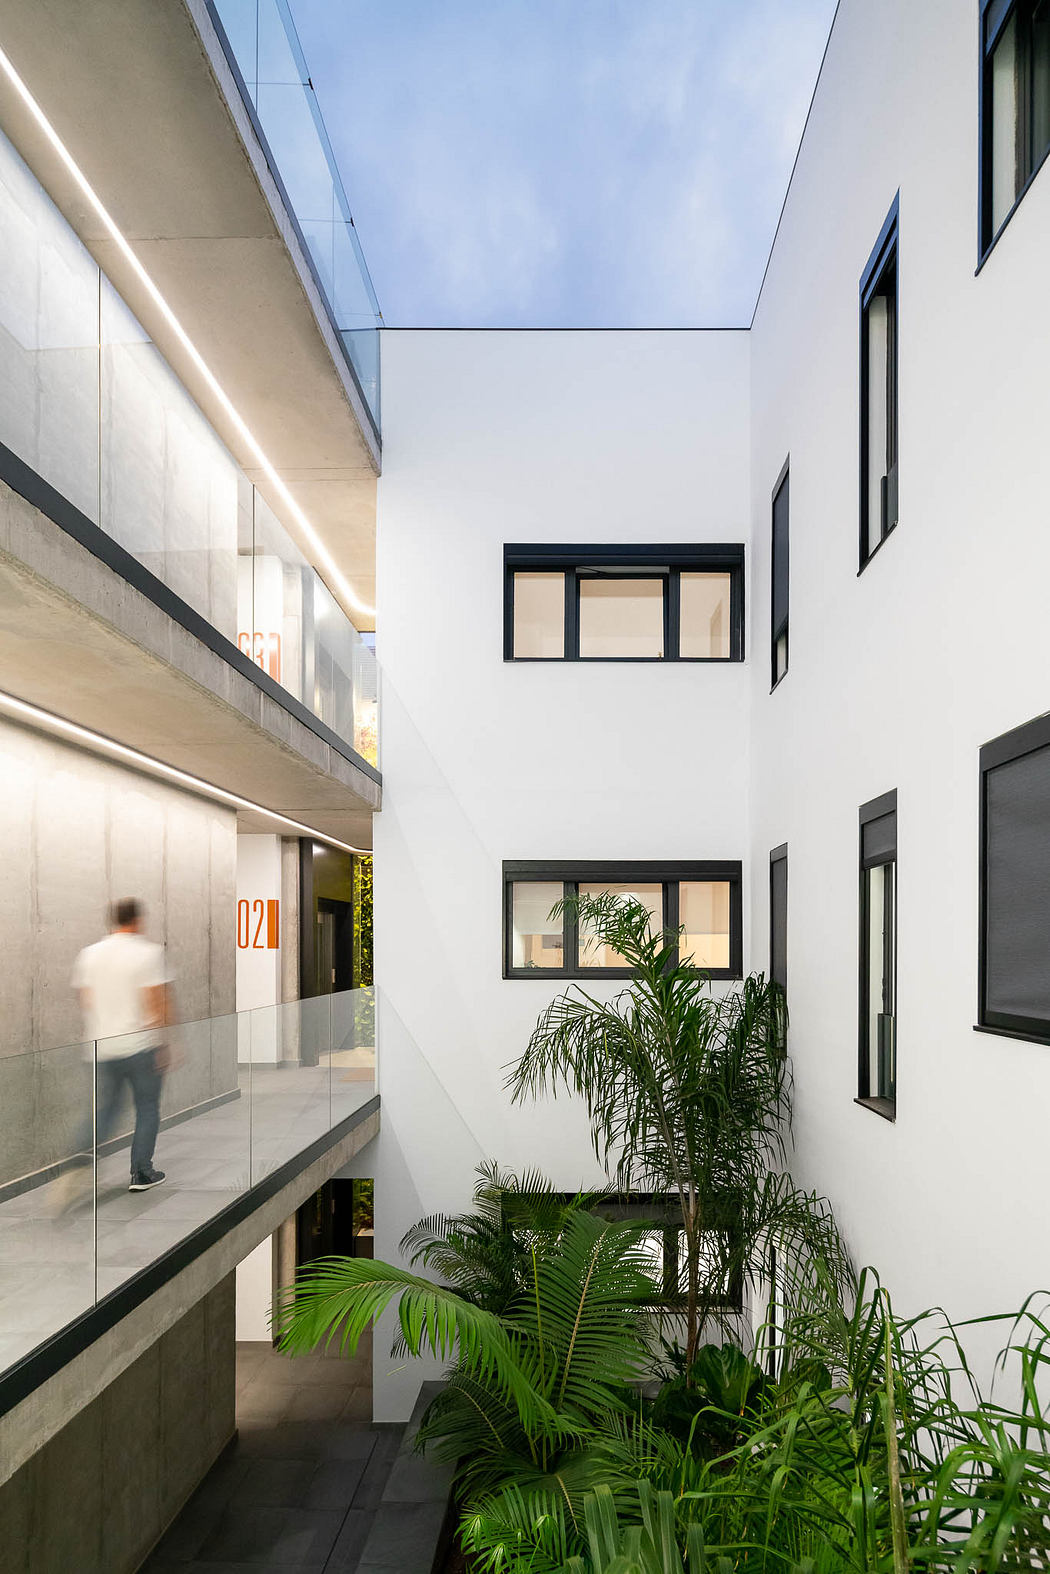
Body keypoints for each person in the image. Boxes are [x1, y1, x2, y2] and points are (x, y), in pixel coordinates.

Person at [71, 898, 173, 1191]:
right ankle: (141, 1172)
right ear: (137, 921)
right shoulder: (148, 953)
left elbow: (86, 1000)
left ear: (113, 920)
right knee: (147, 1107)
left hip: (101, 1048)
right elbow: (157, 1003)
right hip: (140, 1045)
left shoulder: (88, 955)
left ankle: (79, 1161)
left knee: (108, 1109)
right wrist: (163, 1043)